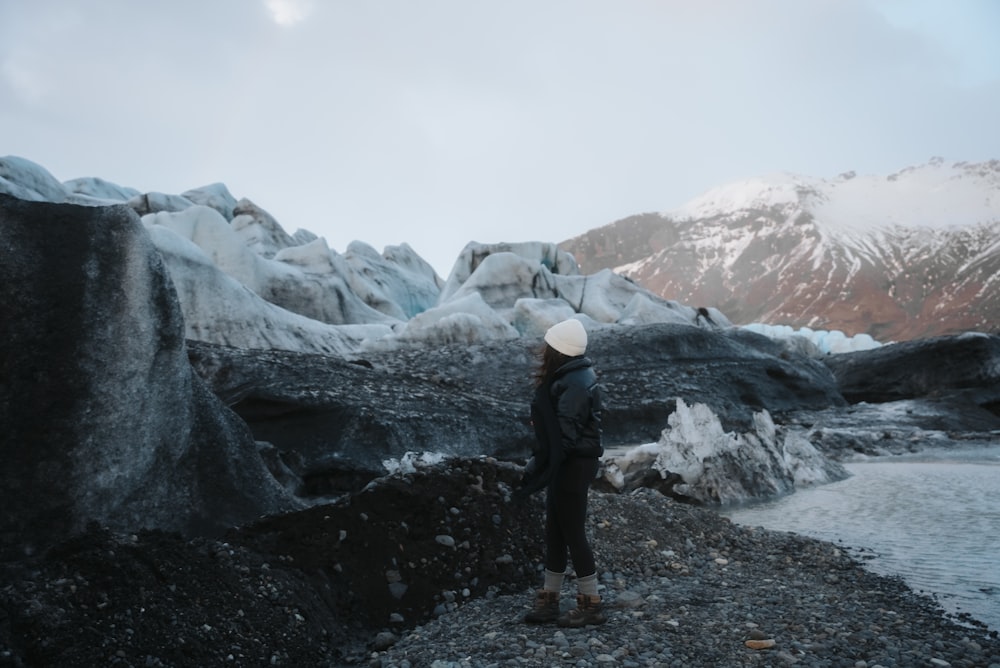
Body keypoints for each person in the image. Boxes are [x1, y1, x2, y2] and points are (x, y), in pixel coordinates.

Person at [516, 318, 606, 627]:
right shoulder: (573, 377)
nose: (543, 350)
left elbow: (565, 436)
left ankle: (591, 604)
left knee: (572, 532)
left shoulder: (576, 382)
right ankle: (549, 599)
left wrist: (536, 466)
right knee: (555, 530)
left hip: (574, 465)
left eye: (548, 345)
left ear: (558, 350)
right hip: (568, 462)